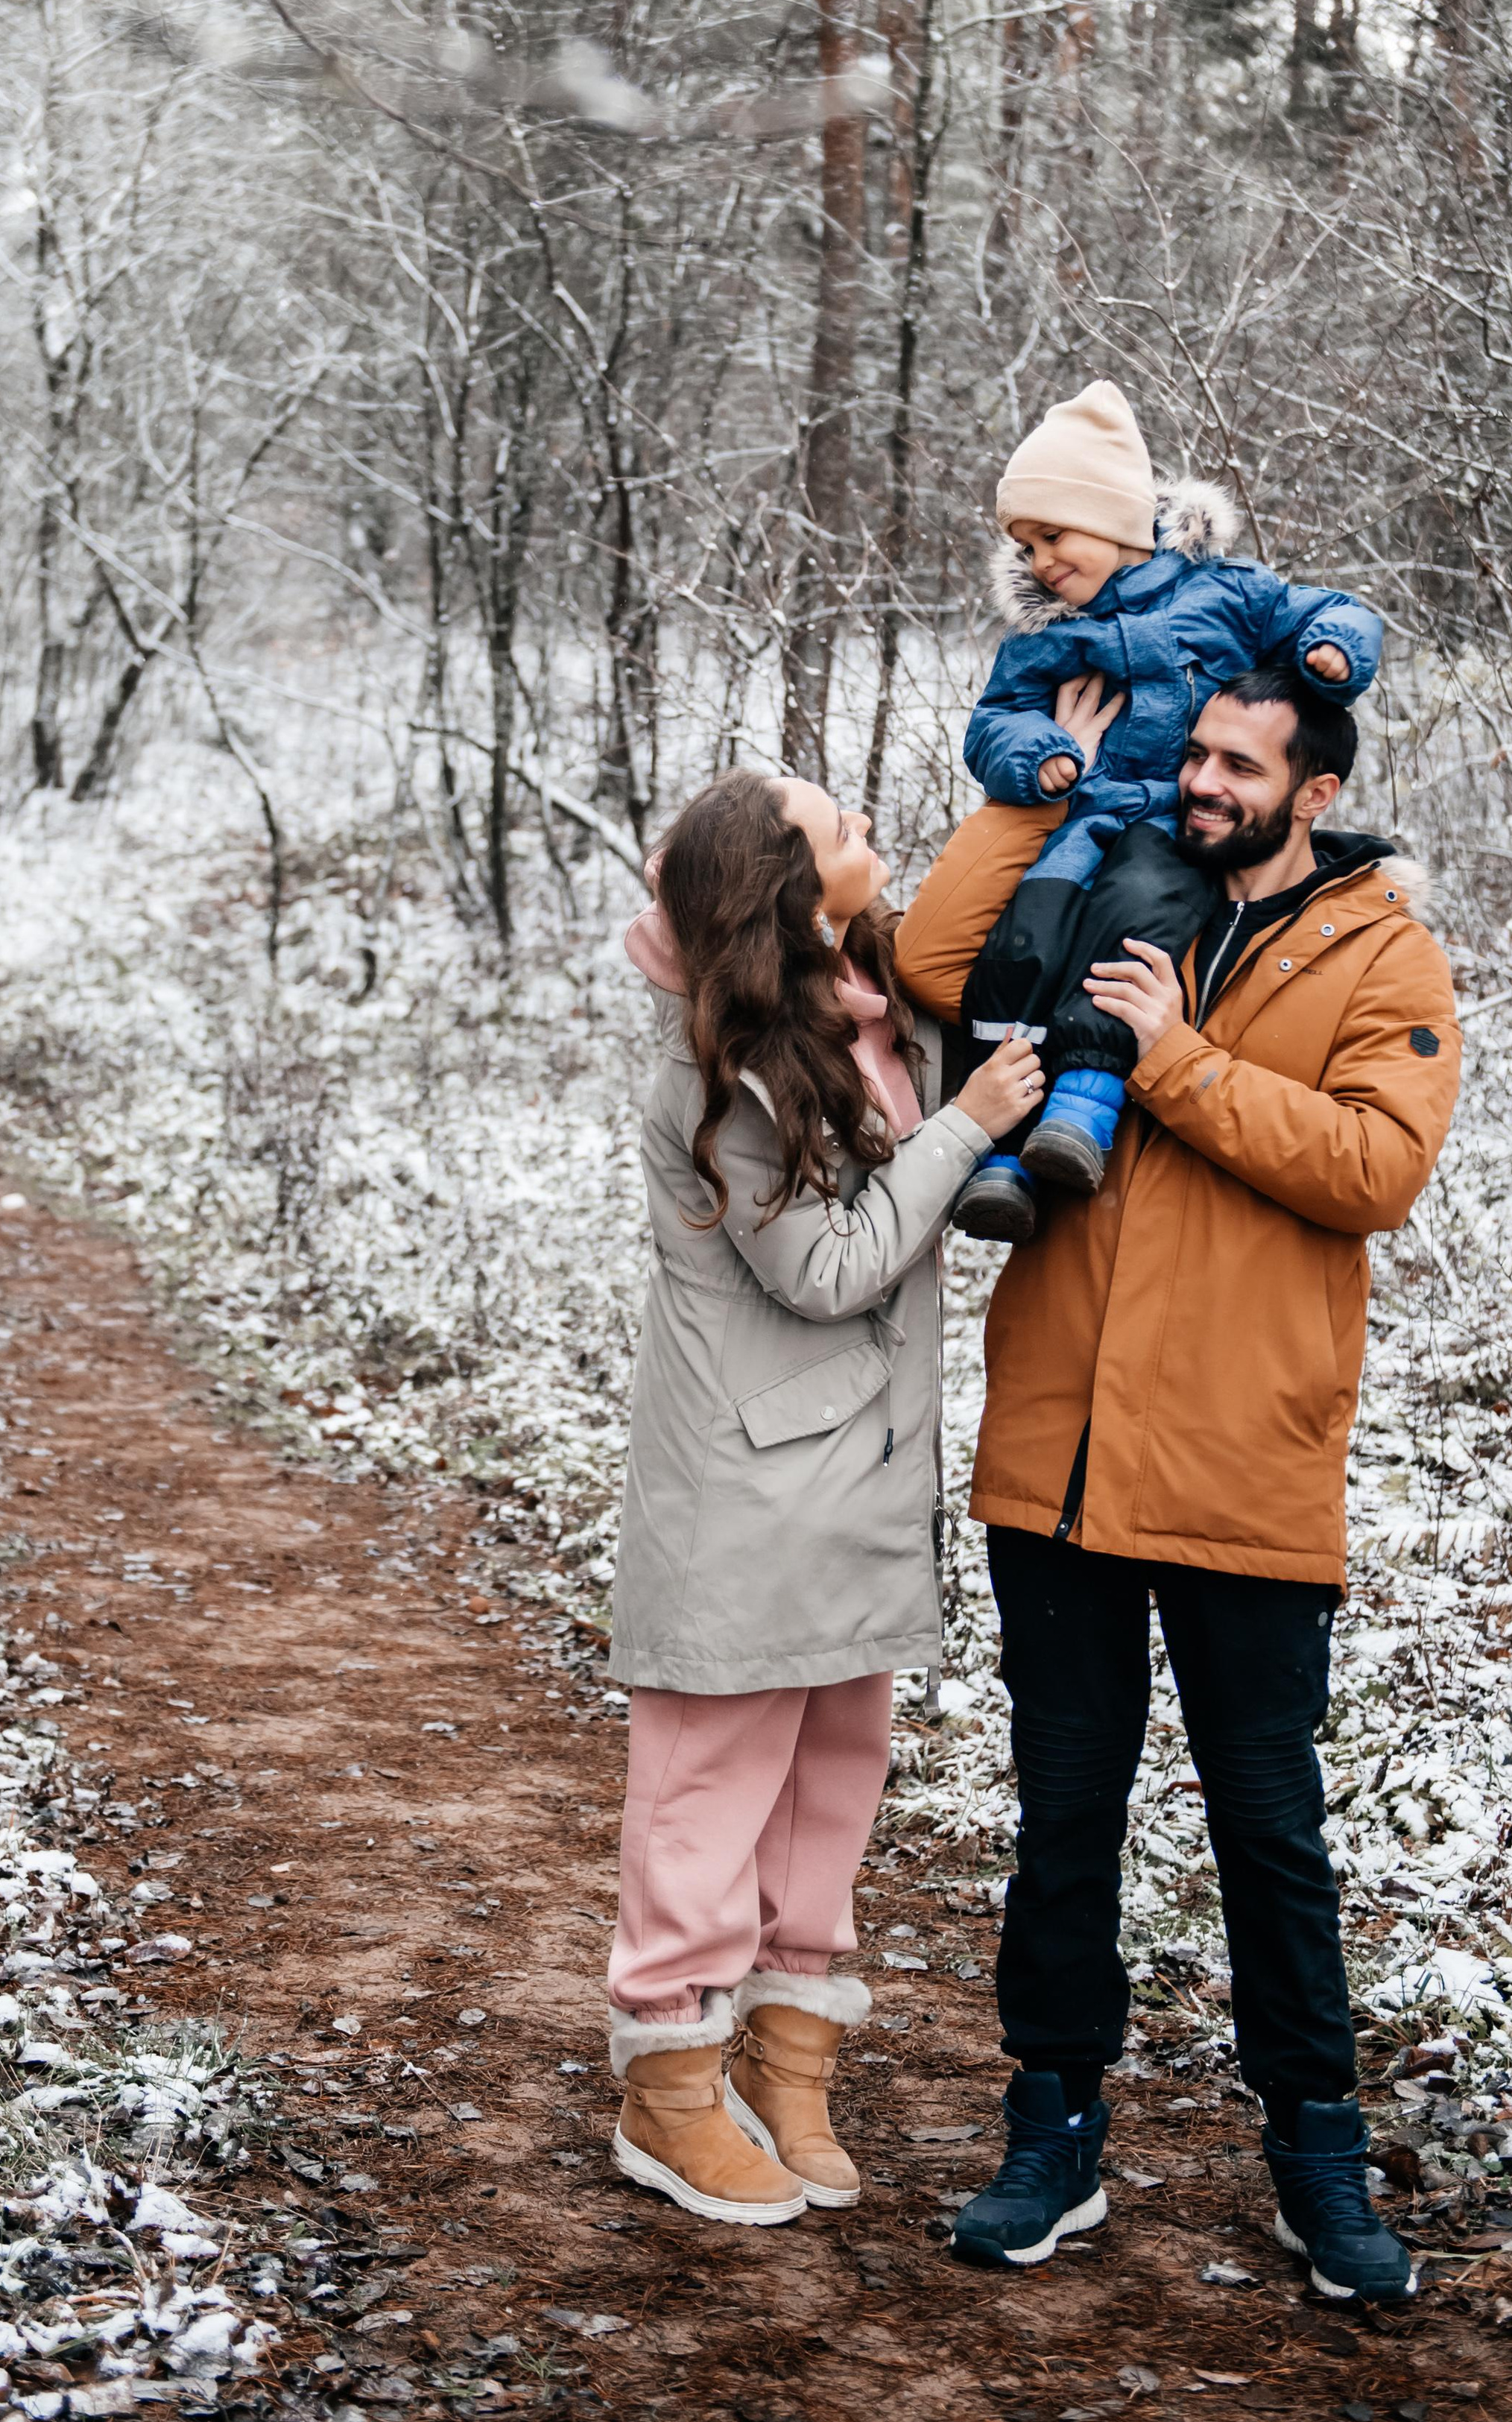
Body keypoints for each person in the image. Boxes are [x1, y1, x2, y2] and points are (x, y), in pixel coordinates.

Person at [895, 667, 1462, 2301]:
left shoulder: (1380, 952)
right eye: (1194, 751)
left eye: (1235, 762)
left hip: (1242, 1464)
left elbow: (1372, 1169)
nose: (1201, 779)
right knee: (1061, 1820)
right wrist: (1040, 781)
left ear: (1316, 790)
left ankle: (1317, 2156)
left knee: (1267, 1832)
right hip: (1059, 1463)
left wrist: (1174, 1060)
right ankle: (1050, 2130)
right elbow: (936, 964)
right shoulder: (1114, 879)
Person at [603, 763, 1054, 2227]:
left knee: (827, 1786)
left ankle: (788, 2066)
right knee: (706, 1795)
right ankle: (669, 2088)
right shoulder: (717, 1071)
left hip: (855, 1483)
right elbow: (828, 1269)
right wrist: (967, 1124)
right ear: (782, 893)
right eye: (844, 830)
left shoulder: (862, 998)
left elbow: (980, 910)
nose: (873, 839)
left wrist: (1045, 754)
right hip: (741, 1499)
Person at [955, 379, 1385, 1245]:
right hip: (1080, 819)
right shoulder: (1046, 636)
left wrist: (1330, 650)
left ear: (1115, 518)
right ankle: (997, 1152)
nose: (1038, 561)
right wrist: (1041, 759)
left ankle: (1083, 1100)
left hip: (1172, 823)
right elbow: (994, 722)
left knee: (1134, 929)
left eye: (1052, 534)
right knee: (1018, 949)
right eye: (1024, 545)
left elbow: (1330, 611)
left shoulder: (1224, 594)